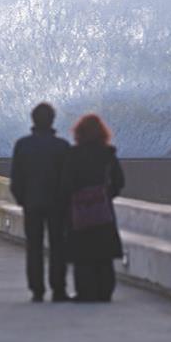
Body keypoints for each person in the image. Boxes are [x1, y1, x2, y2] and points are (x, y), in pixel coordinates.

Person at [10, 102, 71, 303]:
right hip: (57, 205)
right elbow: (67, 179)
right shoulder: (62, 146)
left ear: (33, 120)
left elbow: (16, 179)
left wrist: (23, 200)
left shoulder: (23, 145)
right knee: (58, 246)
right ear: (52, 120)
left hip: (32, 203)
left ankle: (37, 290)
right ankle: (58, 289)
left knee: (34, 247)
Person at [61, 114, 124, 302]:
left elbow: (65, 184)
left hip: (80, 210)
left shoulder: (73, 155)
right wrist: (104, 196)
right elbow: (119, 182)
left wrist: (76, 199)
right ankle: (105, 292)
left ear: (78, 133)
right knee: (104, 254)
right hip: (103, 211)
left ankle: (85, 293)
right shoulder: (108, 154)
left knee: (83, 254)